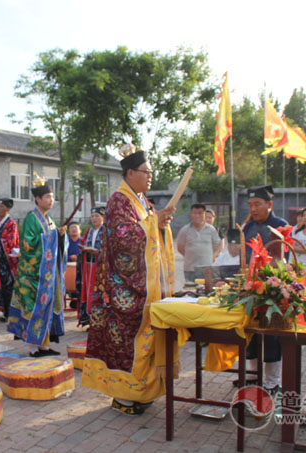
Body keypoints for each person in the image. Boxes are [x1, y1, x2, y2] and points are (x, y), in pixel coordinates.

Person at [82, 144, 176, 416]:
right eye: (147, 171)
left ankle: (143, 392)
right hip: (124, 287)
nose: (151, 176)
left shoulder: (143, 200)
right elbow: (122, 238)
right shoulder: (119, 200)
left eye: (151, 171)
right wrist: (152, 224)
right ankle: (123, 396)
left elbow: (149, 232)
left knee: (147, 340)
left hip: (147, 286)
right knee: (125, 342)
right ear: (131, 172)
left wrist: (160, 225)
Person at [7, 175, 67, 357]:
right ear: (38, 199)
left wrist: (60, 235)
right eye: (48, 197)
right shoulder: (31, 219)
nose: (51, 200)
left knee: (46, 308)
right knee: (33, 308)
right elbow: (28, 244)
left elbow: (54, 243)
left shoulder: (50, 220)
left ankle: (44, 346)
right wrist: (53, 236)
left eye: (52, 197)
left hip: (47, 275)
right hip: (32, 274)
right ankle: (33, 348)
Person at [241, 185, 288, 393]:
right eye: (250, 205)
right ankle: (251, 375)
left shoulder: (280, 226)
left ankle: (272, 381)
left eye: (257, 204)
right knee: (249, 333)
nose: (253, 209)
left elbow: (282, 259)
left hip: (272, 290)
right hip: (251, 287)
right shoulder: (247, 227)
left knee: (271, 337)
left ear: (269, 204)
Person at [176, 203, 221, 283]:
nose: (197, 216)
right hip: (190, 269)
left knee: (207, 292)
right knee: (191, 291)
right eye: (195, 213)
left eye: (200, 213)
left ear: (204, 214)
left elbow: (217, 245)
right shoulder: (185, 230)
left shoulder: (211, 230)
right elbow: (180, 248)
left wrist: (210, 256)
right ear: (191, 214)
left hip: (207, 269)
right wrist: (192, 255)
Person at [76, 207, 105, 326]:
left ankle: (100, 321)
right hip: (88, 267)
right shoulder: (88, 232)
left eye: (97, 216)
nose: (94, 219)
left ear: (103, 217)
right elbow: (82, 243)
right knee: (87, 292)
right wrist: (84, 248)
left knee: (98, 292)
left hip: (100, 268)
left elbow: (108, 248)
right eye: (92, 216)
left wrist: (98, 252)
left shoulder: (106, 231)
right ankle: (89, 320)